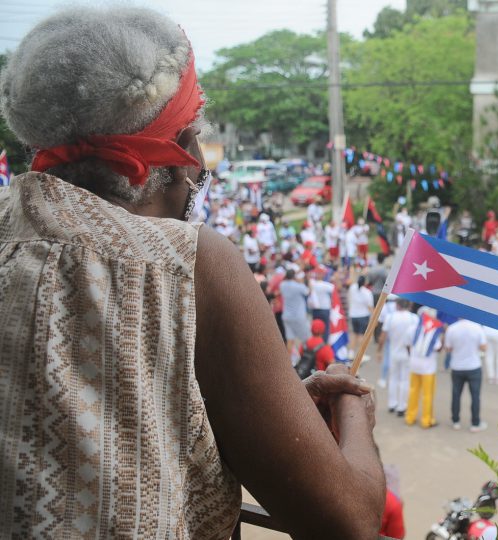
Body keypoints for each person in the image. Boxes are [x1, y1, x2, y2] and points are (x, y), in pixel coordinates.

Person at [0, 7, 384, 536]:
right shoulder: (196, 264)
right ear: (175, 154)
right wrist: (353, 410)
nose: (202, 164)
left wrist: (274, 404)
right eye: (195, 137)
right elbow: (352, 522)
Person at [445, 319, 488, 431]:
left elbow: (448, 349)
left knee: (456, 395)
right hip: (473, 366)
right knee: (475, 396)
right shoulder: (477, 327)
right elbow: (484, 347)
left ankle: (455, 421)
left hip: (457, 366)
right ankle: (475, 423)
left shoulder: (452, 328)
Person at [380, 299, 418, 415]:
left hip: (394, 352)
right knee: (405, 380)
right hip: (408, 353)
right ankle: (402, 406)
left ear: (397, 305)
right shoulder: (414, 318)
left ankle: (392, 404)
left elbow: (383, 336)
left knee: (393, 378)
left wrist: (378, 350)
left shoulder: (390, 317)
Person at [406, 309, 443, 429]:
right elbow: (437, 348)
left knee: (413, 391)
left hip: (414, 365)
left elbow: (407, 344)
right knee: (428, 395)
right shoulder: (433, 330)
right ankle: (426, 420)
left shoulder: (413, 328)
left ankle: (410, 417)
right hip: (428, 368)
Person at [280, 269, 311, 357]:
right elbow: (307, 291)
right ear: (294, 277)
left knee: (290, 339)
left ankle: (289, 361)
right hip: (298, 316)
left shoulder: (282, 285)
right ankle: (306, 358)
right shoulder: (298, 286)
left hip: (287, 316)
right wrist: (301, 281)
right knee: (306, 339)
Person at [348, 276, 375, 361]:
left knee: (354, 334)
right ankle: (360, 355)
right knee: (360, 335)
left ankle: (351, 353)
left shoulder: (352, 288)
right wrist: (374, 317)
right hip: (363, 316)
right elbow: (370, 307)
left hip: (353, 315)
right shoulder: (367, 292)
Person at [308, 268, 335, 334]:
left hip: (315, 310)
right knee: (325, 329)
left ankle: (317, 343)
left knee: (316, 329)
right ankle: (323, 343)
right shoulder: (326, 285)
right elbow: (335, 289)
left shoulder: (312, 283)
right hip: (325, 309)